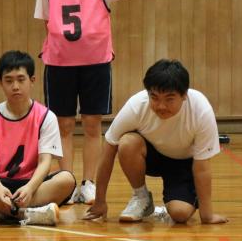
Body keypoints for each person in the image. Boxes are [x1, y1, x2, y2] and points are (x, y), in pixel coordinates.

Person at [34, 0, 143, 205]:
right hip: (59, 63)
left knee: (93, 125)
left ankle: (89, 182)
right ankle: (67, 182)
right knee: (64, 126)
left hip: (95, 62)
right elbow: (46, 20)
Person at [83, 59, 228, 224]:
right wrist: (100, 201)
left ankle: (166, 208)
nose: (161, 106)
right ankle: (141, 198)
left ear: (184, 95)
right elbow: (108, 150)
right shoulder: (137, 105)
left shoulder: (200, 110)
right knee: (127, 142)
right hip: (151, 156)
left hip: (183, 163)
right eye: (155, 97)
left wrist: (207, 215)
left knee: (180, 214)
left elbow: (202, 167)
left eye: (169, 99)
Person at [0, 51, 76, 226]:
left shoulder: (46, 117)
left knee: (67, 179)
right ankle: (29, 214)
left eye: (21, 79)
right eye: (9, 81)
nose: (15, 86)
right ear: (0, 83)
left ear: (32, 80)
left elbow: (45, 162)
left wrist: (30, 188)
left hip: (33, 185)